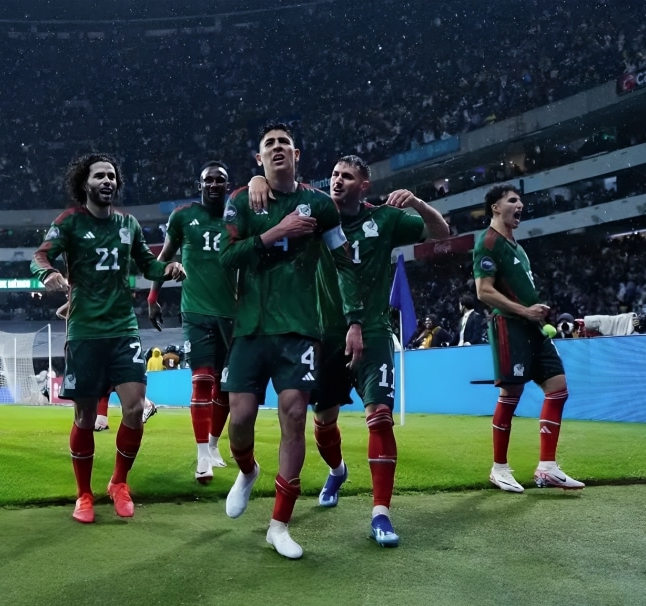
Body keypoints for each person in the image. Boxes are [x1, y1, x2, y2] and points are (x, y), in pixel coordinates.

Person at [252, 155, 448, 547]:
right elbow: (274, 205)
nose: (337, 181)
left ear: (365, 186)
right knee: (323, 424)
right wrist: (259, 178)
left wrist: (417, 203)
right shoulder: (316, 216)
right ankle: (338, 470)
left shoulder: (386, 220)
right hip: (325, 336)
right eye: (335, 175)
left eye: (347, 176)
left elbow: (440, 232)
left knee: (380, 418)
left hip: (373, 331)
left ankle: (381, 514)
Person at [219, 123, 364, 559]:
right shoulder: (241, 200)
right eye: (269, 145)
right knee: (239, 419)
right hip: (249, 328)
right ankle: (247, 471)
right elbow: (226, 259)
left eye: (284, 143)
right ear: (258, 159)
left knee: (295, 415)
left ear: (297, 154)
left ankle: (279, 525)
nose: (278, 148)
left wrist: (355, 320)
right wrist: (276, 232)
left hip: (300, 329)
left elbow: (344, 262)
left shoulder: (320, 205)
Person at [31, 153, 184, 523]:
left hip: (122, 329)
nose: (107, 181)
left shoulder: (128, 224)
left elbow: (147, 265)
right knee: (85, 417)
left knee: (134, 408)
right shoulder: (69, 222)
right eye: (100, 175)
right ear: (85, 182)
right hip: (84, 330)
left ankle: (118, 482)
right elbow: (40, 256)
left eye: (112, 176)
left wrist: (168, 267)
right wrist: (46, 274)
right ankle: (83, 494)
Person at [473, 184, 584, 493]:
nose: (519, 204)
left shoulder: (517, 247)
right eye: (512, 200)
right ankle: (499, 468)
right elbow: (483, 291)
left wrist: (534, 312)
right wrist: (524, 310)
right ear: (496, 207)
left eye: (520, 200)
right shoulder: (488, 242)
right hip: (509, 326)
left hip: (532, 326)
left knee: (558, 387)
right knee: (511, 394)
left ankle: (547, 468)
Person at [149, 161, 236, 483]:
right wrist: (152, 297)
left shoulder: (237, 218)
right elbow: (164, 257)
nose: (214, 184)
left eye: (220, 180)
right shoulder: (184, 216)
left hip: (233, 314)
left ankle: (214, 445)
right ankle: (202, 456)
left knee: (225, 387)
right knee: (201, 380)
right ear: (200, 185)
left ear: (227, 186)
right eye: (208, 180)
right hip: (196, 311)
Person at [55, 301, 157, 431]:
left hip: (111, 339)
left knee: (110, 380)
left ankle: (145, 404)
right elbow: (61, 312)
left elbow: (61, 311)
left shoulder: (98, 297)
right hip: (94, 340)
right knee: (105, 382)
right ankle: (102, 419)